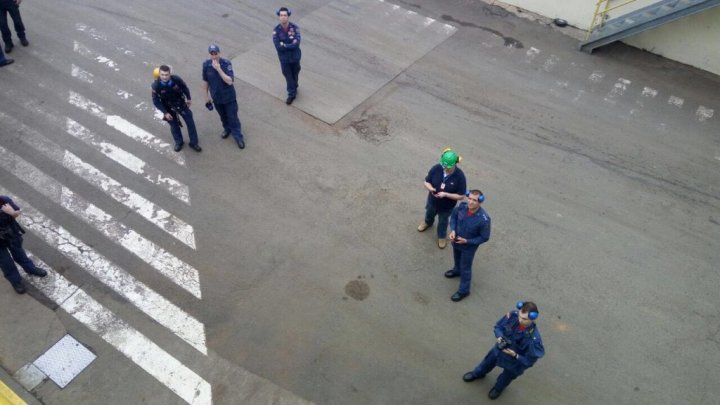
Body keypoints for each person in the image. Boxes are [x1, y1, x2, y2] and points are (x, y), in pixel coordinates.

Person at [462, 301, 545, 400]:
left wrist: (515, 355)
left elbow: (529, 361)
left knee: (506, 377)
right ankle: (477, 373)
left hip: (514, 363)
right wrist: (500, 337)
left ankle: (498, 388)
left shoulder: (534, 339)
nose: (520, 320)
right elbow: (498, 327)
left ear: (533, 317)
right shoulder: (512, 316)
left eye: (524, 319)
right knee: (486, 363)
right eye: (519, 316)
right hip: (499, 351)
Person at [444, 189, 490, 302]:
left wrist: (467, 241)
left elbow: (484, 237)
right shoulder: (462, 207)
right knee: (456, 258)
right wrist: (453, 230)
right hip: (456, 241)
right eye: (469, 198)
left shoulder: (484, 220)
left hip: (468, 248)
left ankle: (464, 290)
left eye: (474, 200)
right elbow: (453, 218)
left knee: (466, 268)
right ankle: (456, 270)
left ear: (480, 202)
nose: (470, 202)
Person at [417, 148, 466, 249]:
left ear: (454, 164)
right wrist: (431, 189)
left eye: (447, 167)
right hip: (432, 201)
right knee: (429, 213)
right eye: (443, 165)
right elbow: (426, 181)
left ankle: (441, 236)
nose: (444, 168)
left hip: (446, 207)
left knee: (443, 221)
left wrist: (446, 194)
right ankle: (427, 223)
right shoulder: (436, 168)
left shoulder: (460, 176)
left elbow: (461, 196)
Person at [0, 195, 47, 294]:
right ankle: (16, 282)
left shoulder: (4, 200)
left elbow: (17, 213)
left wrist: (12, 212)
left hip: (11, 235)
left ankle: (31, 269)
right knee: (6, 263)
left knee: (20, 255)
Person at [202, 44, 245, 149]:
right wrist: (206, 96)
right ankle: (227, 129)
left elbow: (230, 81)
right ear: (209, 55)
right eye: (212, 54)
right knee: (223, 117)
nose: (214, 56)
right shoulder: (206, 65)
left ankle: (238, 137)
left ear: (219, 53)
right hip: (216, 98)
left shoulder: (226, 64)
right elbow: (205, 81)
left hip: (229, 98)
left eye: (215, 53)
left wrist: (218, 69)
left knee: (233, 118)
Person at [151, 65, 201, 152]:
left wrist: (188, 98)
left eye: (167, 74)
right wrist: (165, 112)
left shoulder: (176, 79)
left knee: (190, 122)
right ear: (159, 74)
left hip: (181, 104)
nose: (165, 77)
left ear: (170, 74)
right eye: (162, 75)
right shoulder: (156, 86)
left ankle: (194, 142)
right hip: (168, 108)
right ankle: (179, 142)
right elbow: (156, 101)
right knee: (174, 126)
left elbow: (185, 88)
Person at [272, 7, 301, 105]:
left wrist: (284, 45)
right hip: (284, 59)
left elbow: (296, 44)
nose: (283, 17)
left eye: (285, 15)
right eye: (281, 15)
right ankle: (291, 94)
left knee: (295, 73)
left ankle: (294, 85)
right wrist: (289, 45)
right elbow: (278, 47)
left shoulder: (295, 28)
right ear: (279, 17)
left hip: (295, 57)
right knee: (288, 76)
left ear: (288, 16)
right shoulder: (276, 31)